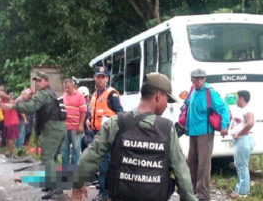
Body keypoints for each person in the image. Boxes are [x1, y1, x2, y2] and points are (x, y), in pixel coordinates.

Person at [71, 72, 197, 201]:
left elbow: (90, 157)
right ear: (158, 97)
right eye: (167, 100)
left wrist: (78, 184)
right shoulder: (167, 129)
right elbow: (182, 174)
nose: (167, 105)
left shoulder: (116, 123)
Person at [0, 71, 66, 200]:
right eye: (36, 81)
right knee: (52, 157)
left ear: (46, 81)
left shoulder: (43, 94)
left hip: (52, 128)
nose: (37, 83)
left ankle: (56, 187)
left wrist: (12, 106)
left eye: (40, 80)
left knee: (47, 158)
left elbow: (30, 107)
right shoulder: (51, 93)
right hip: (59, 127)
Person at [185, 68, 230, 201]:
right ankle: (192, 192)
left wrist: (224, 125)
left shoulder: (210, 93)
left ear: (205, 79)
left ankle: (203, 196)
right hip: (192, 133)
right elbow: (187, 109)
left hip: (205, 133)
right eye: (196, 78)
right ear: (191, 79)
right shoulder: (192, 91)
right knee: (192, 163)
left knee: (203, 166)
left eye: (201, 78)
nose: (199, 81)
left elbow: (224, 108)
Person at [87, 66, 123, 201]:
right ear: (95, 78)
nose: (100, 79)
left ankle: (105, 193)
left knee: (105, 163)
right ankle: (105, 190)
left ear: (107, 78)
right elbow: (92, 111)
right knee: (101, 161)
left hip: (108, 133)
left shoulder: (111, 94)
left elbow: (120, 113)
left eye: (103, 77)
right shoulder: (95, 94)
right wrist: (88, 120)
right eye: (98, 76)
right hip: (96, 132)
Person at [228, 90, 255, 199]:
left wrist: (240, 133)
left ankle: (243, 191)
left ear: (242, 99)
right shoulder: (242, 110)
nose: (236, 101)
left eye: (237, 98)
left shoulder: (247, 110)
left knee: (242, 166)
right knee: (239, 165)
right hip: (240, 140)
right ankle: (239, 188)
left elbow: (251, 123)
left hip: (244, 139)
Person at [61, 79, 87, 166]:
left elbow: (83, 111)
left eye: (68, 87)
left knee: (76, 149)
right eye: (65, 88)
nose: (66, 89)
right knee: (64, 150)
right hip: (65, 127)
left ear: (73, 86)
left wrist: (81, 125)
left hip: (75, 128)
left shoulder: (80, 96)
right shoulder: (64, 95)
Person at [0, 85, 20, 158]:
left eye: (1, 90)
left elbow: (5, 97)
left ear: (4, 92)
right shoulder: (2, 100)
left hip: (12, 121)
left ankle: (10, 152)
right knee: (7, 137)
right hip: (7, 121)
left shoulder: (9, 98)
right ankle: (8, 151)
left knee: (10, 137)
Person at [78, 86, 94, 152]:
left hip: (90, 134)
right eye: (85, 97)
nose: (87, 98)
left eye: (87, 97)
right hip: (84, 135)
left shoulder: (91, 106)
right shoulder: (80, 107)